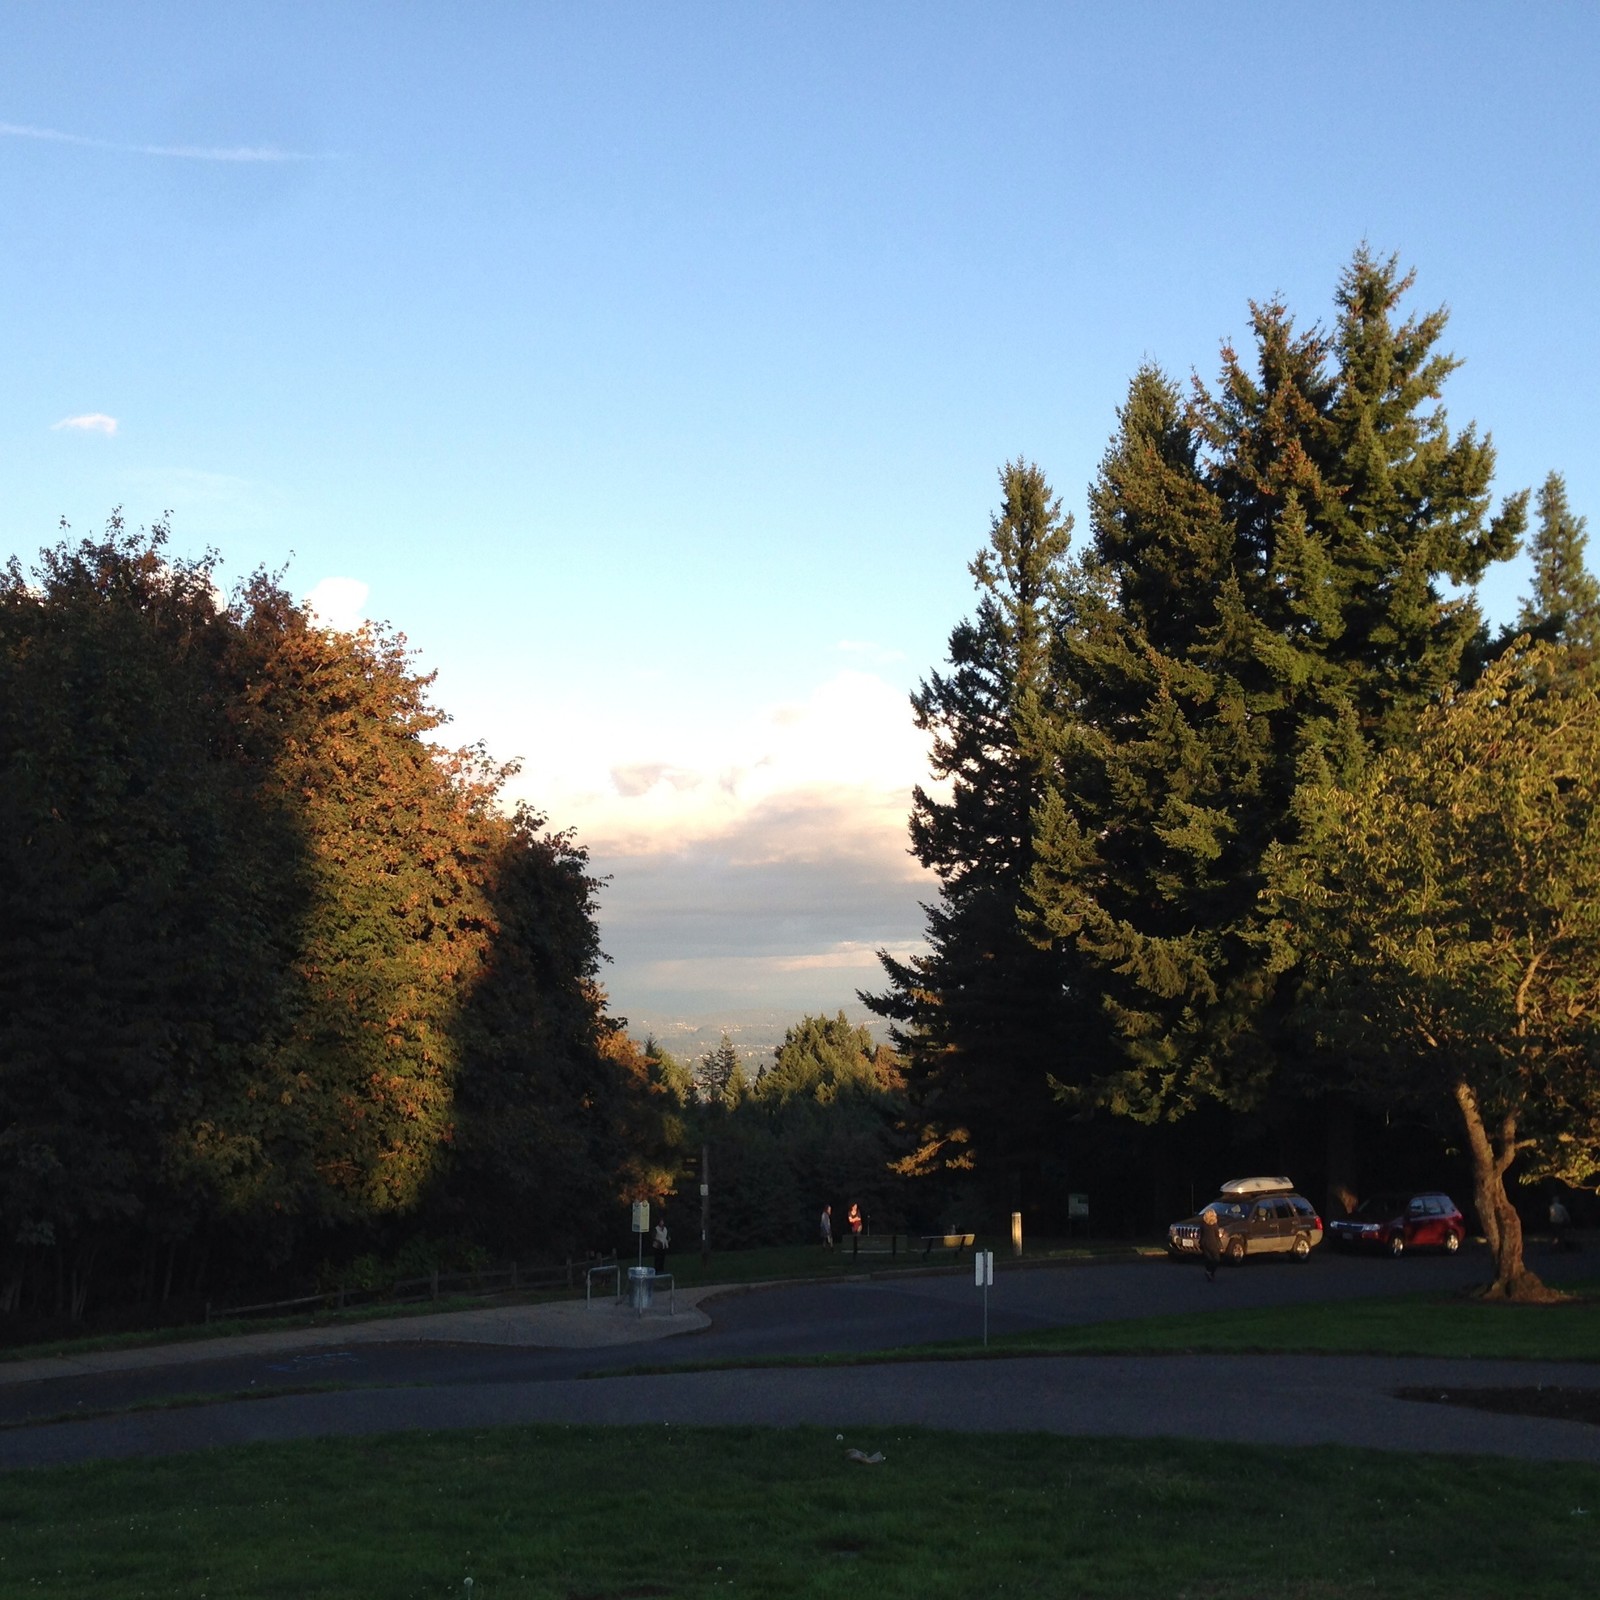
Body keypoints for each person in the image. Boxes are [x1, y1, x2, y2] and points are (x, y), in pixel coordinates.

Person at [1199, 1206, 1224, 1282]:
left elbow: (1201, 1234)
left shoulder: (1203, 1224)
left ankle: (1209, 1272)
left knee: (1208, 1259)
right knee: (1216, 1259)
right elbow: (1217, 1236)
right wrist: (1220, 1245)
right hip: (1212, 1243)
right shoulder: (1214, 1225)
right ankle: (1210, 1272)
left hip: (1204, 1243)